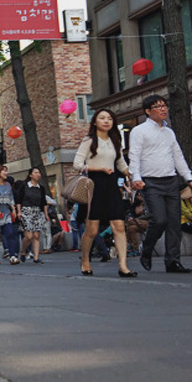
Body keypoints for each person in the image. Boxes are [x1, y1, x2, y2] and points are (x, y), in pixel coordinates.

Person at [130, 95, 192, 273]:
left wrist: (190, 180)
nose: (163, 109)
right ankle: (146, 249)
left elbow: (178, 157)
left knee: (175, 223)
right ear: (148, 111)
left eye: (164, 105)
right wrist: (136, 177)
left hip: (171, 181)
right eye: (157, 106)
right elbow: (134, 156)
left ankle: (173, 261)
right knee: (159, 220)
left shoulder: (169, 132)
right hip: (150, 182)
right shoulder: (139, 131)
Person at [73, 108, 137, 278]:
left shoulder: (115, 139)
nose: (106, 121)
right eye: (102, 118)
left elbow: (121, 163)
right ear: (95, 122)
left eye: (109, 118)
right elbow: (77, 164)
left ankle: (123, 266)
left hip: (111, 186)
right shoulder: (89, 140)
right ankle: (85, 259)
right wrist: (99, 168)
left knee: (119, 226)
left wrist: (130, 174)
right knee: (92, 230)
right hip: (94, 185)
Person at [15, 167, 49, 264]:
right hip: (26, 210)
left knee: (37, 235)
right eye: (36, 172)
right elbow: (19, 200)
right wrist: (19, 211)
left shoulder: (41, 188)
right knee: (29, 236)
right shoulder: (24, 186)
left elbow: (44, 202)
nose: (38, 174)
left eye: (39, 172)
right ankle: (23, 251)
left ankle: (36, 257)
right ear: (30, 175)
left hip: (37, 211)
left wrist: (46, 215)